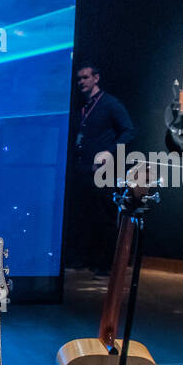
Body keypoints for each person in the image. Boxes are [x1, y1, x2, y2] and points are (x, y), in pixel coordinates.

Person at [64, 61, 136, 272]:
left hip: (102, 170)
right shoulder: (83, 106)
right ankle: (82, 259)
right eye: (79, 79)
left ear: (96, 78)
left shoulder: (111, 104)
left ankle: (107, 264)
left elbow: (129, 131)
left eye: (85, 77)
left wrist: (110, 152)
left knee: (103, 215)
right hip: (82, 168)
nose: (81, 82)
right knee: (83, 215)